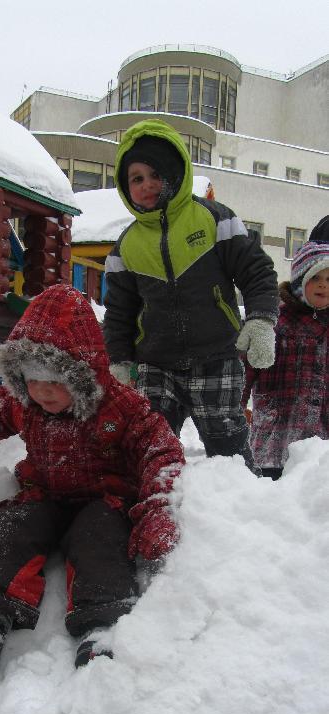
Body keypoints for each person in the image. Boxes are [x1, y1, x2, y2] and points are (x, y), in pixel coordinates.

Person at [0, 284, 185, 671]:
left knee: (100, 536)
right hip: (43, 492)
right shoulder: (24, 403)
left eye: (55, 382)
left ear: (83, 374)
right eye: (32, 380)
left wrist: (158, 505)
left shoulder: (120, 406)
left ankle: (101, 625)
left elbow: (160, 450)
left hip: (103, 498)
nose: (42, 393)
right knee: (12, 524)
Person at [103, 120, 279, 469]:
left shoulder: (214, 220)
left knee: (227, 446)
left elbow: (256, 271)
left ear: (173, 172)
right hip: (155, 364)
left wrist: (260, 320)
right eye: (136, 178)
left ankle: (237, 507)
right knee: (150, 444)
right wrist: (120, 362)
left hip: (216, 355)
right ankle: (156, 506)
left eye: (154, 173)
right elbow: (119, 313)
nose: (147, 185)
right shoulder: (126, 247)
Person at [242, 241, 329, 479]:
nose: (323, 284)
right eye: (315, 277)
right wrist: (236, 405)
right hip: (275, 436)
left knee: (312, 500)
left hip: (322, 444)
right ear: (300, 282)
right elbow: (246, 368)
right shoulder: (275, 321)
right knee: (271, 502)